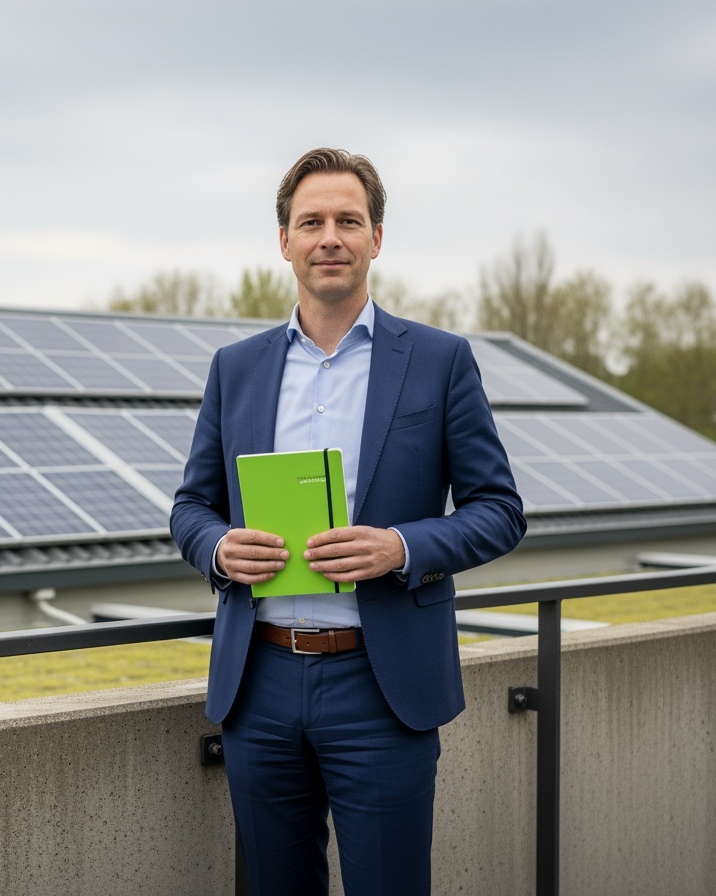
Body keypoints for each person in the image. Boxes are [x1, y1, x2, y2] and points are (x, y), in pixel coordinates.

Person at [170, 147, 526, 895]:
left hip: (382, 683)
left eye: (347, 220)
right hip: (258, 683)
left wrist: (401, 545)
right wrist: (218, 547)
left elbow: (499, 511)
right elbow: (190, 507)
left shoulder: (438, 360)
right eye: (312, 221)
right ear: (285, 242)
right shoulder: (236, 367)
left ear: (376, 238)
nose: (329, 236)